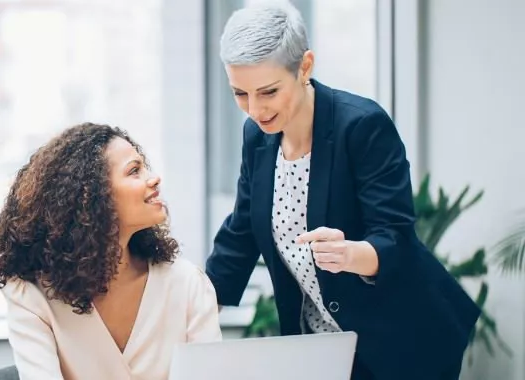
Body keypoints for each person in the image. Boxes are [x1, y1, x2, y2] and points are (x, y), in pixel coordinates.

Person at [204, 2, 480, 379]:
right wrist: (196, 311)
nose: (254, 109)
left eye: (268, 91)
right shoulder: (257, 136)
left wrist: (351, 254)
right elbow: (240, 232)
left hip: (401, 341)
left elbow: (395, 237)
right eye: (240, 93)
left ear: (305, 67)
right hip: (325, 347)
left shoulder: (362, 126)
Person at [0, 122, 222, 380]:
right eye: (134, 171)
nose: (154, 178)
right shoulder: (32, 294)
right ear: (94, 195)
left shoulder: (188, 284)